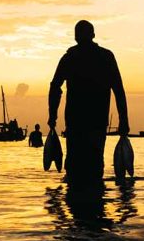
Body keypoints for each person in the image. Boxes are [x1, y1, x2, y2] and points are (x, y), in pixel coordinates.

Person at [48, 20, 129, 187]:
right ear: (92, 35)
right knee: (93, 166)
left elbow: (55, 87)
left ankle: (78, 202)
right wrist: (123, 119)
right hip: (93, 122)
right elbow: (118, 90)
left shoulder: (70, 58)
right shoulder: (105, 57)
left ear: (76, 37)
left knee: (75, 169)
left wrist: (52, 115)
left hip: (80, 122)